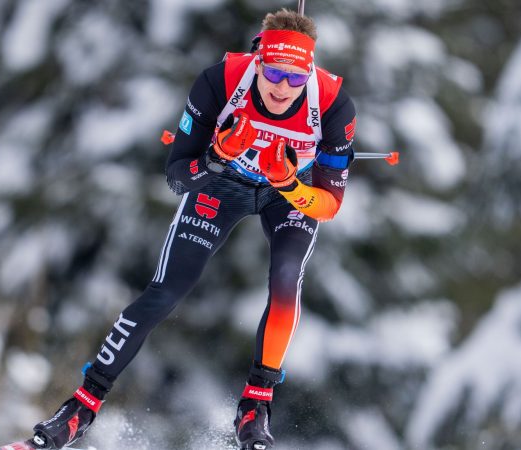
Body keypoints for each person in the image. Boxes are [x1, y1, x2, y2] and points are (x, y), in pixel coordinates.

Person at [29, 8, 356, 450]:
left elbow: (328, 206)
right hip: (222, 184)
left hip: (287, 194)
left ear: (309, 74)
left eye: (296, 78)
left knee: (285, 282)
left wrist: (290, 184)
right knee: (167, 290)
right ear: (258, 62)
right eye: (275, 73)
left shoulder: (333, 103)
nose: (283, 88)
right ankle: (81, 407)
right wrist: (218, 156)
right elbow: (178, 175)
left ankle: (255, 406)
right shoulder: (220, 82)